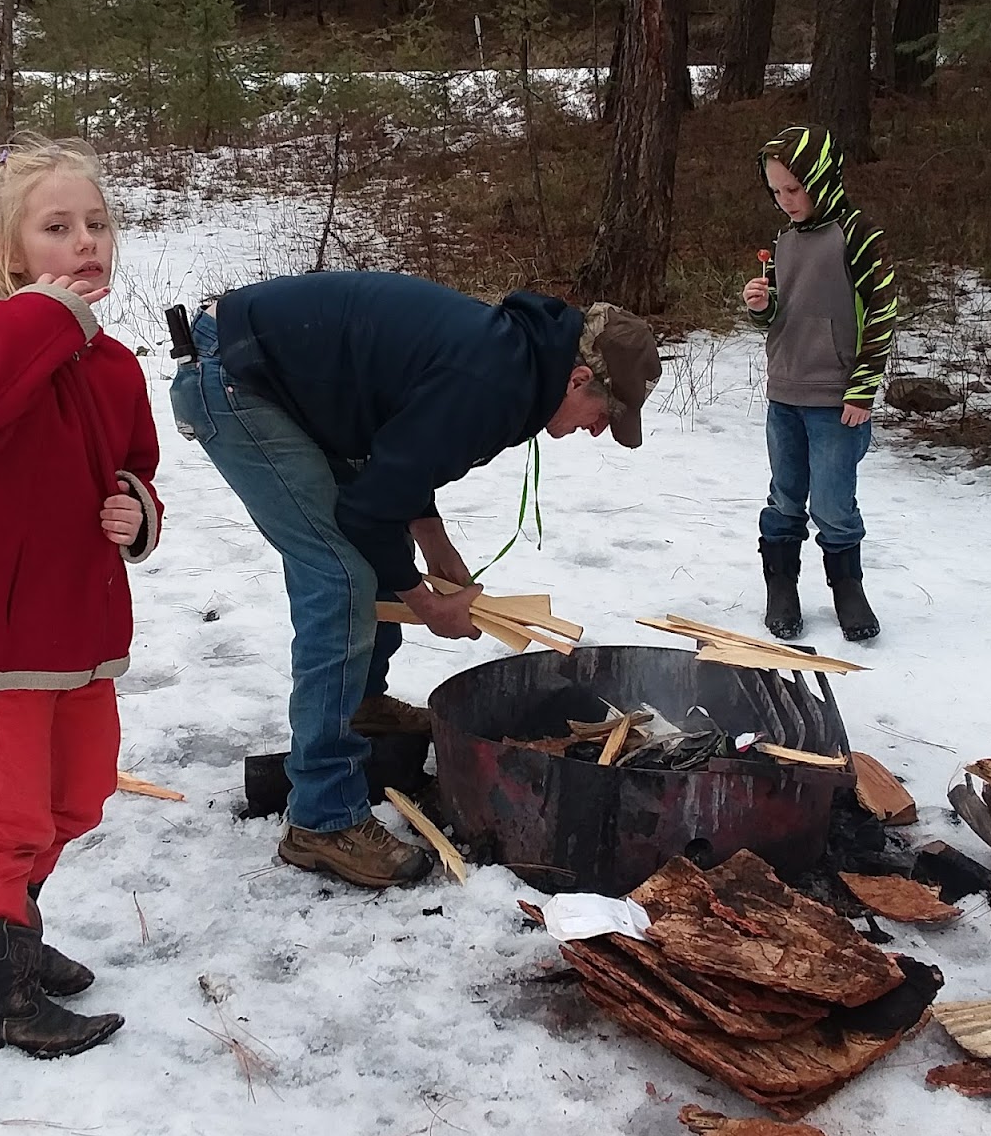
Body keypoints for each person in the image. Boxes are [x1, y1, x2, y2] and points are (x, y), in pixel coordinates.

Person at [171, 274, 661, 890]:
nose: (596, 429)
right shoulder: (494, 382)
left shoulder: (519, 363)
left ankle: (362, 708)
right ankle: (322, 819)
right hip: (237, 377)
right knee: (341, 577)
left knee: (377, 551)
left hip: (279, 373)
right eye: (602, 414)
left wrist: (433, 541)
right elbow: (367, 509)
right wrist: (426, 603)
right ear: (580, 379)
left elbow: (397, 448)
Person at [0, 138, 162, 1059]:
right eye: (57, 227)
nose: (85, 241)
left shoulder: (113, 364)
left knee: (79, 797)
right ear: (9, 252)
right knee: (13, 815)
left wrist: (137, 510)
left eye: (96, 224)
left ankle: (10, 926)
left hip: (79, 633)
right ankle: (1, 996)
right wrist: (44, 317)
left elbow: (136, 464)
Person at [741, 124, 896, 643]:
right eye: (777, 191)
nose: (786, 201)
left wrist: (862, 388)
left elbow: (883, 311)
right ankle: (781, 587)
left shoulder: (858, 235)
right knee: (785, 497)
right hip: (784, 391)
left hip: (836, 399)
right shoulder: (782, 241)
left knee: (832, 502)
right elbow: (786, 312)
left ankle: (847, 588)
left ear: (822, 177)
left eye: (795, 188)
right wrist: (763, 309)